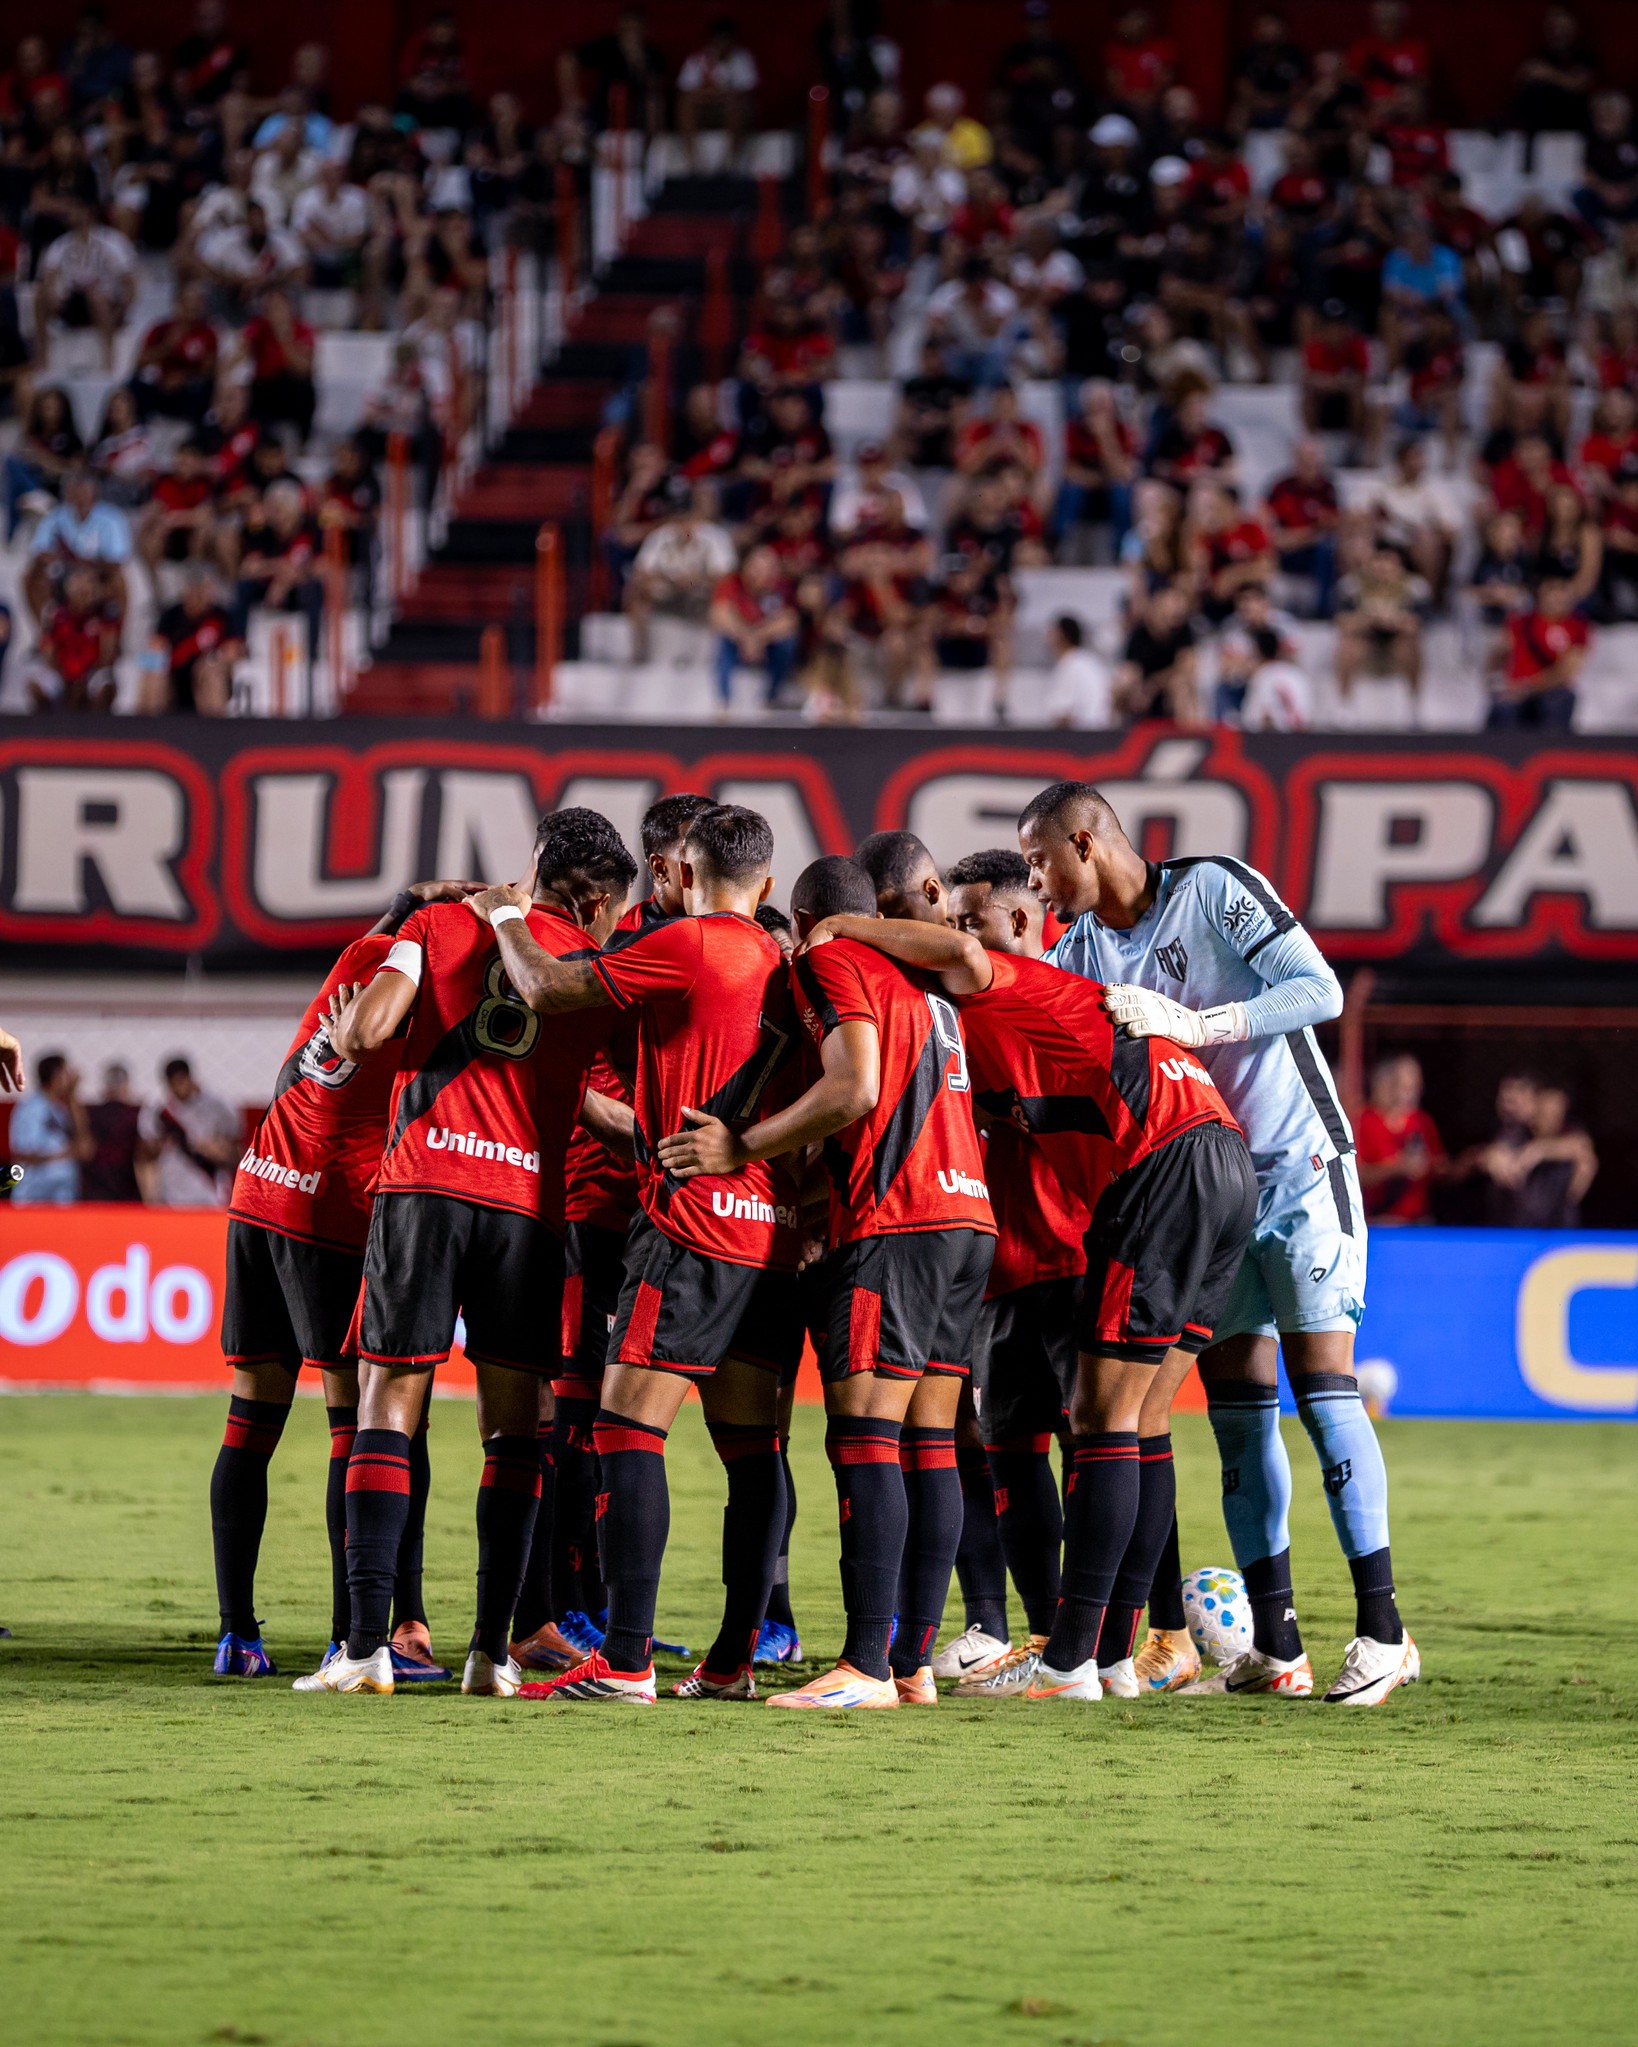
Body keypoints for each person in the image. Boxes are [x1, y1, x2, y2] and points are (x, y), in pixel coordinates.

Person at [792, 868, 1255, 1704]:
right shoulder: (990, 1021)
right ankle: (1115, 1655)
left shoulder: (1005, 984)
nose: (943, 935)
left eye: (960, 917)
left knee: (1102, 1419)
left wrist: (842, 930)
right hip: (1217, 1156)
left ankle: (1071, 1657)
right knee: (1143, 1420)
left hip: (1163, 1156)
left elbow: (964, 952)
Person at [1018, 780, 1419, 1706]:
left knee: (1324, 1395)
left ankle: (1383, 1630)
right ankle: (1278, 1648)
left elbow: (1316, 989)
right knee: (1238, 1417)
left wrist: (1202, 1025)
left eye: (1041, 862)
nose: (1038, 885)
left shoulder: (1212, 886)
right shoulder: (1077, 952)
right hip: (1212, 1198)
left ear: (1085, 841)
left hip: (1305, 1168)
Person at [469, 806, 804, 1707]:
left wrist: (504, 915)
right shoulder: (782, 961)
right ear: (767, 886)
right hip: (763, 1219)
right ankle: (735, 1655)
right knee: (749, 1445)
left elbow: (542, 987)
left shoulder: (689, 944)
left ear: (686, 880)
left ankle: (623, 1658)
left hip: (689, 1217)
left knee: (623, 1424)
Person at [301, 813, 639, 1699]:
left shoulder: (434, 924)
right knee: (515, 1427)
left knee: (389, 1405)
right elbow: (607, 1105)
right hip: (527, 1208)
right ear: (599, 900)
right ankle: (491, 1653)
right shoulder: (591, 970)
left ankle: (367, 1646)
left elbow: (368, 1032)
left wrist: (340, 1032)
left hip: (422, 1191)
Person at [659, 852, 996, 1710]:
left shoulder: (827, 962)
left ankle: (864, 1665)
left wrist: (740, 1146)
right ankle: (911, 1659)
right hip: (966, 1220)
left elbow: (855, 1089)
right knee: (927, 1439)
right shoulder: (924, 983)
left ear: (805, 920)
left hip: (899, 1221)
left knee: (863, 1436)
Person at [210, 880, 475, 1681]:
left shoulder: (357, 958)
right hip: (331, 1209)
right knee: (366, 1424)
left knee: (250, 1422)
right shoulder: (426, 988)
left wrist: (411, 902)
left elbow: (392, 930)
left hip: (258, 1189)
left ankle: (236, 1634)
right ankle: (348, 1637)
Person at [516, 791, 718, 1675]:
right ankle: (565, 1609)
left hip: (654, 1213)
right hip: (591, 1209)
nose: (692, 874)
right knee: (577, 1419)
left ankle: (601, 1606)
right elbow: (579, 1082)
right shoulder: (616, 947)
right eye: (685, 856)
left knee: (629, 1422)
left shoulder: (690, 948)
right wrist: (644, 1130)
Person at [934, 851, 1096, 1692]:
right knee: (1010, 1453)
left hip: (1076, 1252)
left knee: (1106, 1445)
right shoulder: (964, 1009)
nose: (961, 939)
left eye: (974, 921)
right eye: (953, 924)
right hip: (999, 1266)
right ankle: (1044, 1634)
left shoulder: (1068, 994)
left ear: (1023, 920)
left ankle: (1130, 1636)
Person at [1356, 1054, 1446, 1225]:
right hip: (1377, 1221)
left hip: (1418, 1222)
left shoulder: (1421, 1121)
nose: (1410, 1093)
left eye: (1415, 1086)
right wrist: (1397, 1168)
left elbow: (1441, 1167)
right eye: (1403, 1086)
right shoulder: (1363, 1121)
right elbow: (1353, 1173)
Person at [1487, 578, 1589, 730]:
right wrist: (1497, 681)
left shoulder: (1577, 626)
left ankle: (1554, 750)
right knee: (1502, 708)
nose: (1558, 597)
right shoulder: (1521, 622)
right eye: (1552, 590)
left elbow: (1569, 669)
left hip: (1549, 691)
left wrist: (1529, 688)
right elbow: (1498, 655)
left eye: (1563, 591)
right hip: (1516, 692)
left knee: (1559, 700)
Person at [138, 1058, 240, 1206]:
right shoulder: (157, 1109)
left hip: (209, 1192)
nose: (179, 1088)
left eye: (181, 1081)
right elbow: (145, 1156)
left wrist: (216, 1151)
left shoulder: (219, 1106)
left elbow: (237, 1153)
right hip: (171, 1194)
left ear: (189, 1078)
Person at [709, 545, 800, 708]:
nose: (764, 573)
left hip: (765, 643)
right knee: (723, 640)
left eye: (770, 568)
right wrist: (746, 638)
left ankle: (771, 697)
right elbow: (719, 614)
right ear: (746, 565)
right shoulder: (731, 583)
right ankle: (724, 700)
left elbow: (789, 620)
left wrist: (757, 638)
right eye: (758, 568)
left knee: (787, 642)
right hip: (738, 640)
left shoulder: (782, 586)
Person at [8, 1053, 91, 1204]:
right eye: (66, 1073)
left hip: (63, 1193)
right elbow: (24, 1152)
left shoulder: (62, 1109)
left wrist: (73, 1095)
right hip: (35, 1193)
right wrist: (65, 1153)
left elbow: (85, 1145)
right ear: (55, 1076)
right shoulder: (31, 1108)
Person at [82, 1061, 143, 1202]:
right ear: (126, 1086)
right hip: (126, 1186)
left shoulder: (92, 1113)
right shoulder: (134, 1114)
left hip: (96, 1186)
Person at [1041, 614, 1111, 727]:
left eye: (1051, 631)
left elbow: (1061, 715)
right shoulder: (1089, 662)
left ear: (1061, 635)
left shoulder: (1070, 665)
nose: (1046, 636)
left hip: (1079, 737)